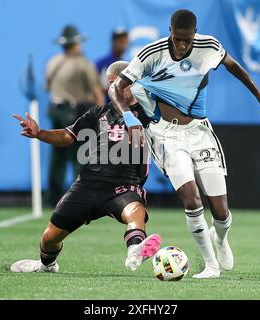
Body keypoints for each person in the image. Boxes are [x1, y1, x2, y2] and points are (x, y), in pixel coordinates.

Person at [109, 9, 260, 279]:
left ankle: (221, 238)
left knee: (221, 211)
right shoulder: (150, 55)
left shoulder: (209, 47)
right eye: (178, 39)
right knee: (191, 199)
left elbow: (234, 66)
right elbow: (116, 87)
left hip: (199, 131)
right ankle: (210, 265)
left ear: (195, 34)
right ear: (169, 31)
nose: (182, 45)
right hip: (167, 136)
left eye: (187, 40)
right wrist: (129, 119)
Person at [10, 61, 160, 273]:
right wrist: (39, 133)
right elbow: (67, 135)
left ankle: (135, 250)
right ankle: (46, 265)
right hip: (87, 184)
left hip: (122, 186)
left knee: (135, 211)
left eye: (118, 83)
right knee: (49, 238)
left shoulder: (150, 114)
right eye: (109, 84)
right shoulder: (97, 113)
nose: (112, 89)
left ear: (132, 82)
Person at [45, 25, 105, 206]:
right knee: (81, 157)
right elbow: (96, 92)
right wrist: (103, 115)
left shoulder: (53, 62)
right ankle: (80, 198)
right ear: (76, 43)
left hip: (56, 111)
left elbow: (47, 87)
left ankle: (53, 198)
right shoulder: (83, 63)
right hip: (76, 112)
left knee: (57, 158)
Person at [96, 28, 129, 102]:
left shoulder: (127, 65)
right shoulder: (101, 64)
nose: (123, 44)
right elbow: (95, 88)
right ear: (113, 42)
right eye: (120, 41)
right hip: (105, 108)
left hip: (124, 109)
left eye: (125, 41)